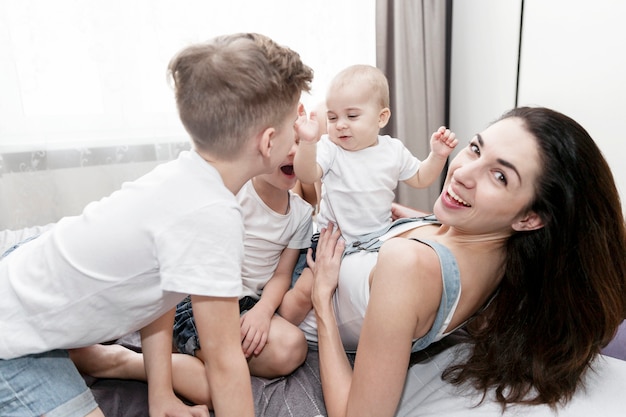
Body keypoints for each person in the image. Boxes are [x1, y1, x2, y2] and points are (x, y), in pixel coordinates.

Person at [0, 32, 314, 417]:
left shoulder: (185, 177)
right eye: (292, 125)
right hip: (10, 337)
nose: (298, 134)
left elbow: (159, 293)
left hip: (23, 286)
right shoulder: (212, 216)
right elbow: (225, 361)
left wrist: (161, 396)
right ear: (268, 142)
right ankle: (92, 355)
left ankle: (95, 356)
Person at [306, 106, 626, 417]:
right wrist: (422, 220)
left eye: (499, 176)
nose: (462, 173)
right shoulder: (502, 256)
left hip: (294, 305)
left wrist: (321, 302)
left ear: (530, 218)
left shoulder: (408, 266)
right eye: (475, 149)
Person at [71, 141, 314, 404]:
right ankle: (122, 361)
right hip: (202, 299)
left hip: (247, 306)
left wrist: (263, 312)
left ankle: (186, 351)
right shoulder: (234, 193)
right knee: (212, 393)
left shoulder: (301, 214)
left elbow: (281, 275)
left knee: (293, 347)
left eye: (299, 143)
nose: (292, 151)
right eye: (284, 143)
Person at [280, 64, 458, 324]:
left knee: (389, 290)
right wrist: (308, 142)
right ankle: (282, 322)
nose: (340, 125)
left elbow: (421, 178)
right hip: (332, 243)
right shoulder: (331, 148)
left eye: (352, 116)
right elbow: (307, 175)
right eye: (332, 118)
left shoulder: (392, 150)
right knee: (305, 292)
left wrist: (437, 156)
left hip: (377, 242)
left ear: (381, 117)